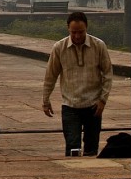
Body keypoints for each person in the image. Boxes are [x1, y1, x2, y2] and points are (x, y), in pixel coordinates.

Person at [42, 11, 113, 156]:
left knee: (91, 149)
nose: (77, 36)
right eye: (74, 32)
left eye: (81, 32)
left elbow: (107, 74)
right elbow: (51, 76)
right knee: (72, 147)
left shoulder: (98, 46)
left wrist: (103, 100)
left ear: (86, 28)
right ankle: (72, 177)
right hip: (70, 105)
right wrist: (45, 100)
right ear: (68, 29)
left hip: (93, 105)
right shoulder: (59, 47)